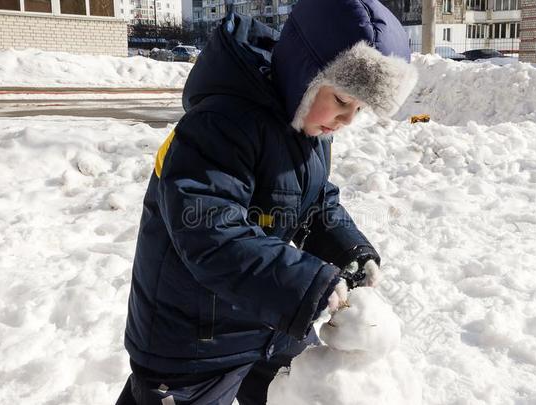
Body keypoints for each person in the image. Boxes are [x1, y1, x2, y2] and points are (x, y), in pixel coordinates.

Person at [117, 0, 417, 403]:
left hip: (267, 324)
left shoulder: (306, 129)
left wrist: (349, 250)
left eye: (359, 109)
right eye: (343, 99)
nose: (347, 119)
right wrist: (306, 284)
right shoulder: (219, 124)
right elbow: (209, 233)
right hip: (195, 342)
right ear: (306, 72)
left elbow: (312, 203)